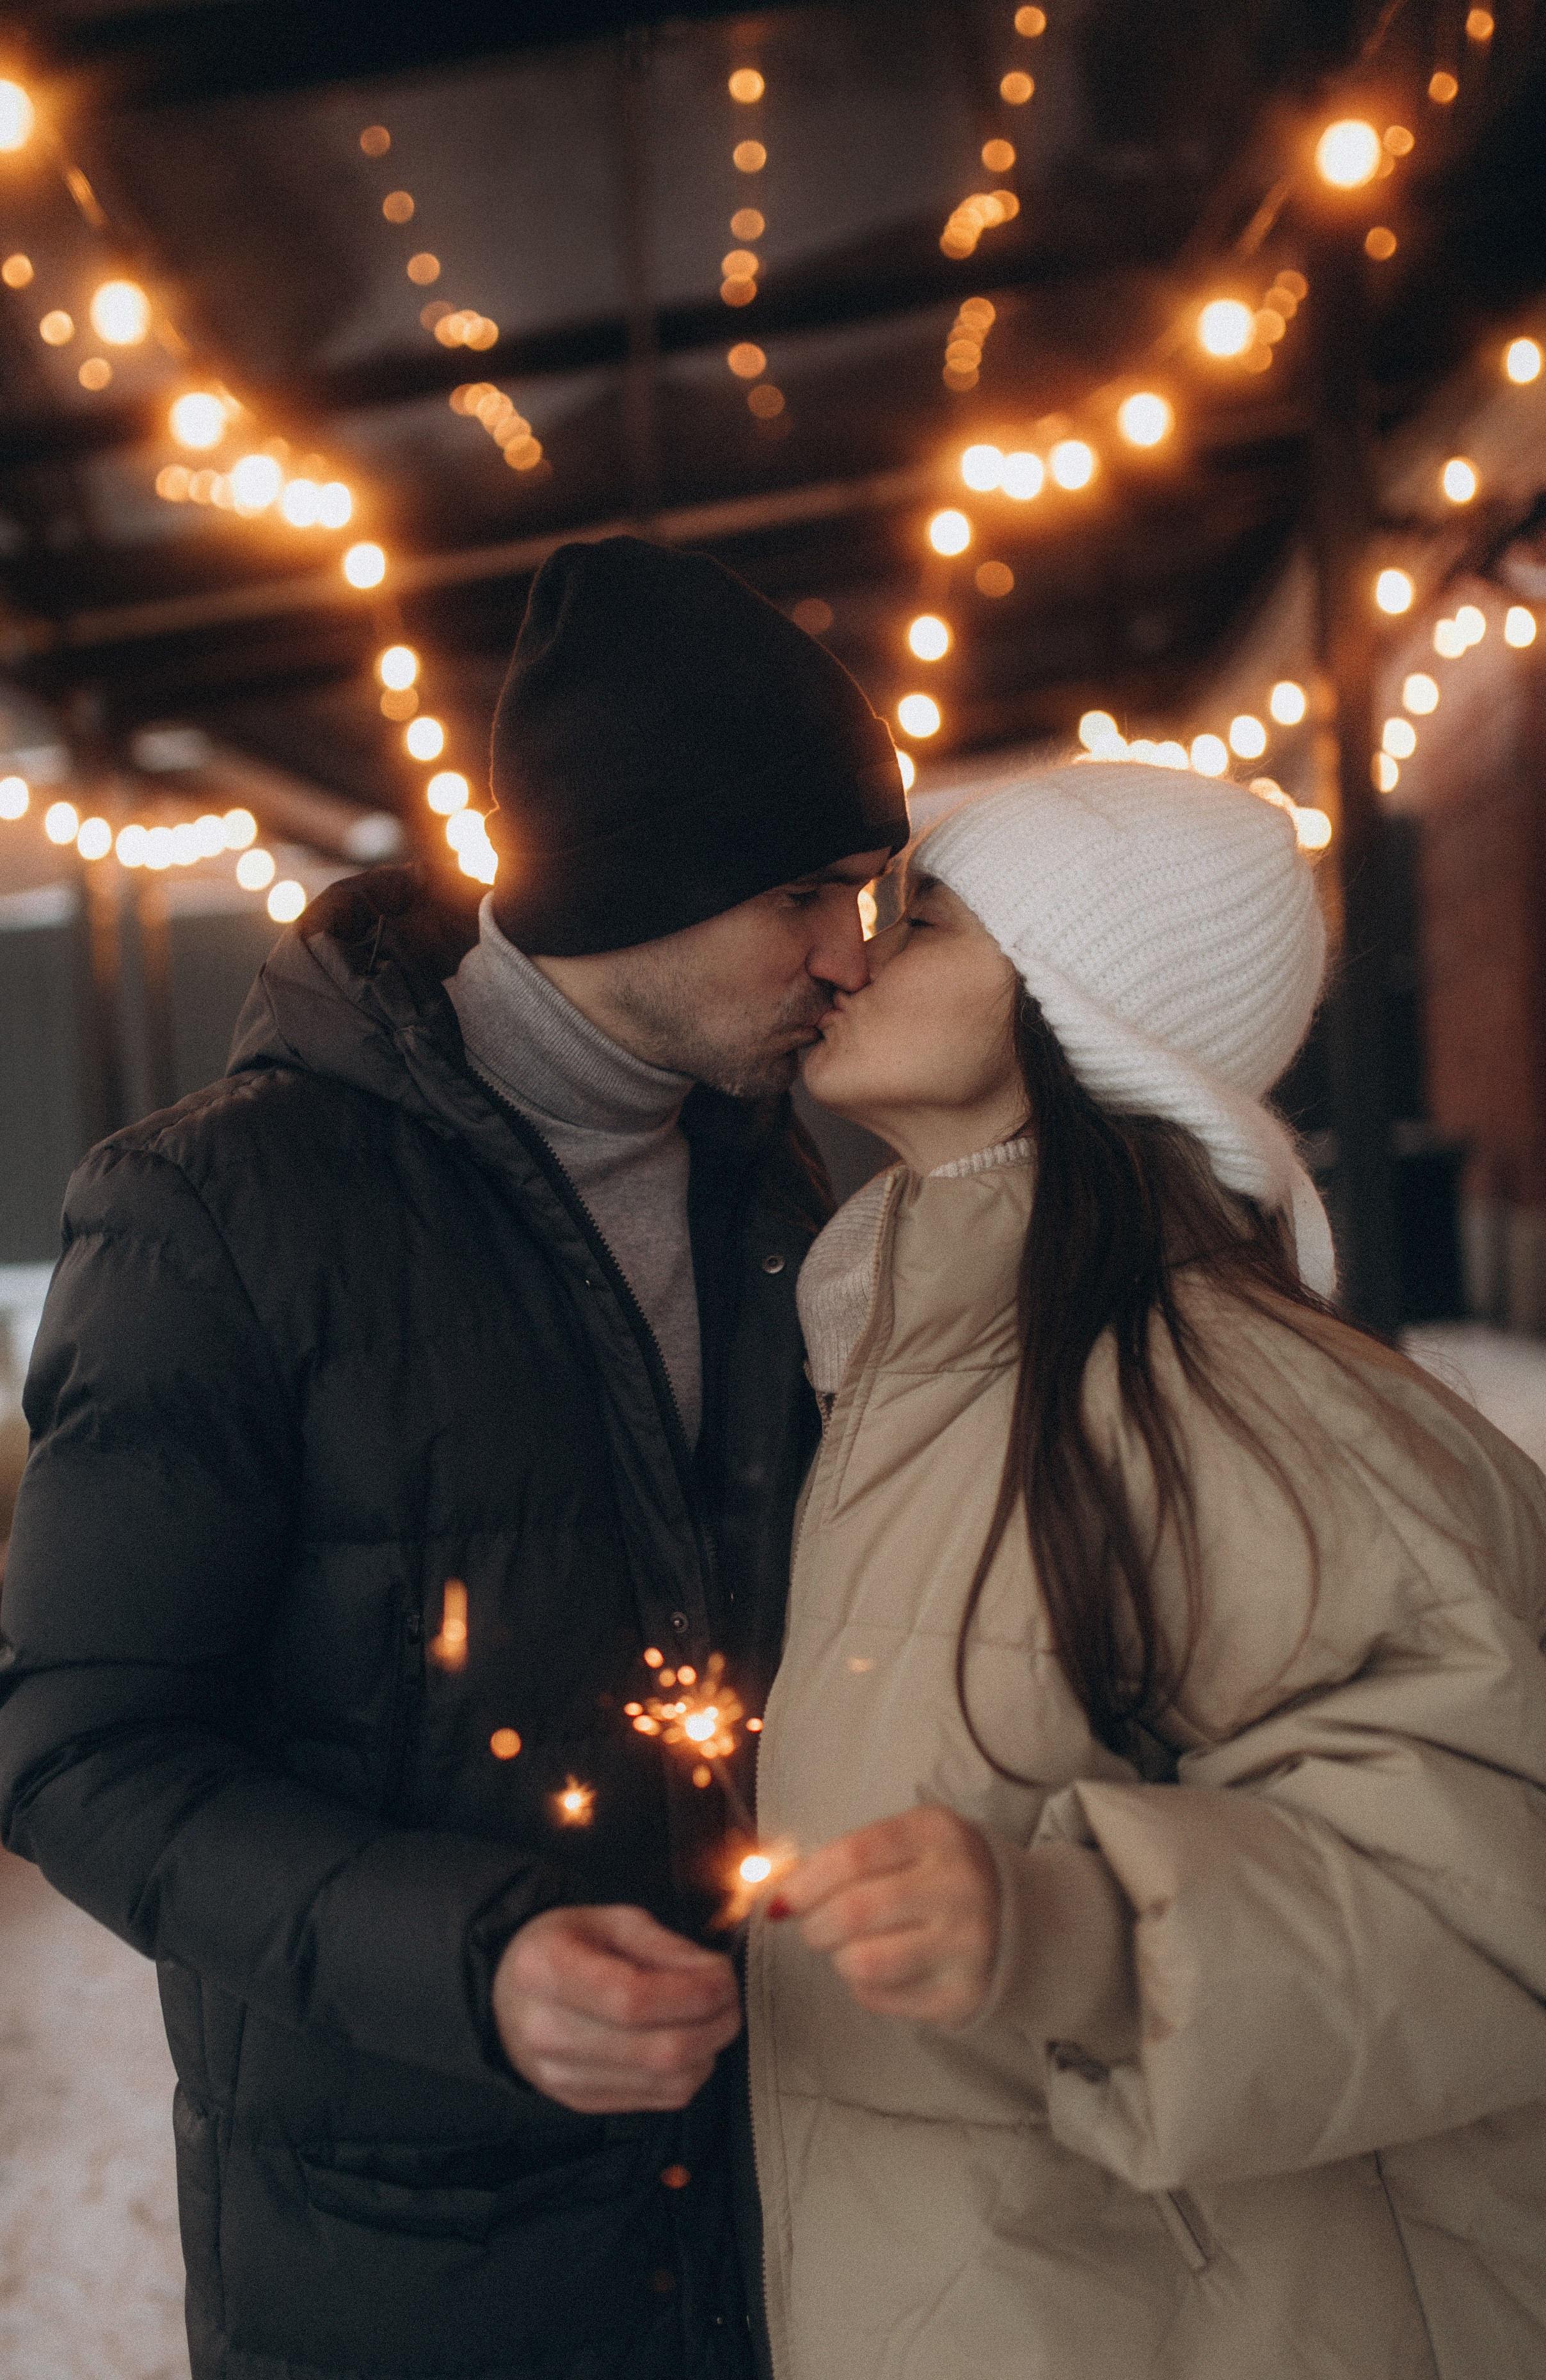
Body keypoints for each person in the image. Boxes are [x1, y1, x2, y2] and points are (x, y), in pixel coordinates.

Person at [0, 536, 907, 2380]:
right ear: (631, 871)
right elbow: (77, 1753)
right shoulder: (214, 1210)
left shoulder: (771, 1182)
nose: (849, 958)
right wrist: (473, 1960)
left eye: (869, 893)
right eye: (807, 891)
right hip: (411, 2257)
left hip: (770, 2202)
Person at [748, 759, 1546, 2380]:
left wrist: (1074, 1928)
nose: (848, 956)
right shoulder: (902, 1362)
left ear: (1075, 1014)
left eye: (922, 924)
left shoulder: (1253, 1410)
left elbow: (1485, 1903)